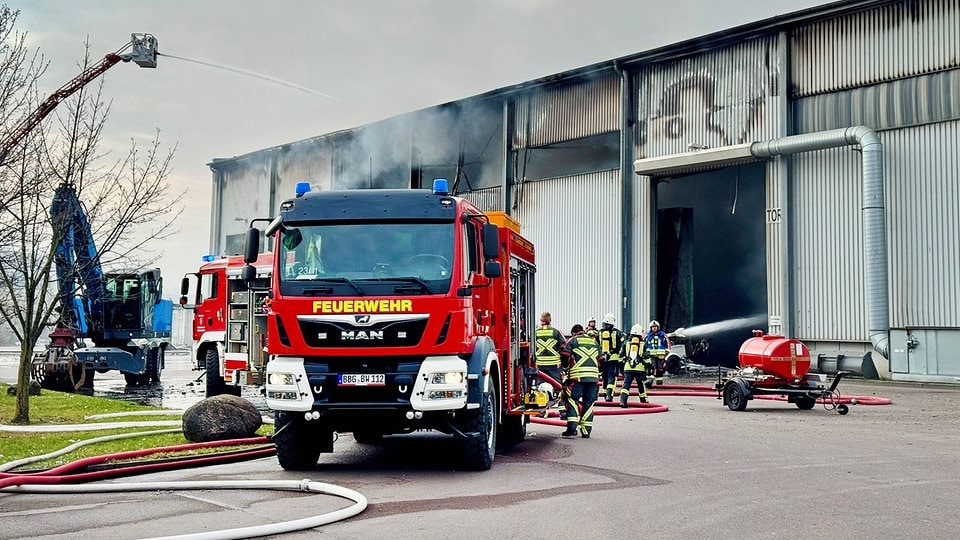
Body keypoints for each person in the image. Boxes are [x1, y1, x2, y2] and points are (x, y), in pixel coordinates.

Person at [560, 324, 600, 439]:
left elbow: (565, 355)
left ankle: (572, 427)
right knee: (589, 402)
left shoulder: (573, 341)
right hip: (593, 378)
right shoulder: (593, 342)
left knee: (571, 398)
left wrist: (565, 367)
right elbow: (601, 358)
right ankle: (586, 431)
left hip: (578, 377)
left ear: (573, 333)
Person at [598, 312, 625, 402]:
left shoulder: (599, 333)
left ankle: (605, 394)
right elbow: (623, 345)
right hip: (614, 359)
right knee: (612, 377)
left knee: (604, 377)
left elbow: (596, 345)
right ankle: (609, 394)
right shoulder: (618, 333)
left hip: (602, 359)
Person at [534, 311, 565, 389]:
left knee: (540, 388)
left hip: (540, 364)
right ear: (550, 320)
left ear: (541, 320)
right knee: (557, 387)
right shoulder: (556, 332)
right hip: (554, 365)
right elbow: (564, 346)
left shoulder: (536, 332)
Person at [621, 323, 650, 406]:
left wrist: (622, 366)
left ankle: (623, 400)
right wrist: (648, 367)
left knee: (626, 384)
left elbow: (621, 355)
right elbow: (647, 357)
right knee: (640, 384)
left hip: (628, 367)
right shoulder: (643, 344)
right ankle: (643, 400)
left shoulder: (626, 343)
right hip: (639, 368)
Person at [643, 320, 672, 386]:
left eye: (655, 327)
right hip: (650, 355)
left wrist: (667, 351)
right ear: (650, 328)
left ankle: (659, 381)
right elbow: (643, 344)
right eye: (653, 327)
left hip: (660, 355)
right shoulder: (647, 336)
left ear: (658, 327)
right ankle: (649, 381)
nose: (654, 328)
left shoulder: (663, 335)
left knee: (660, 368)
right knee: (651, 367)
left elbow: (668, 344)